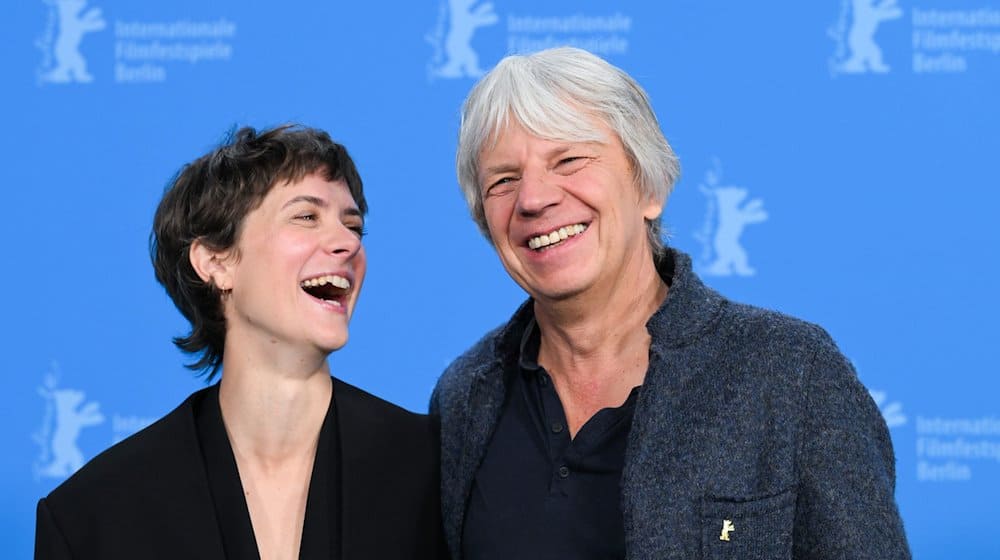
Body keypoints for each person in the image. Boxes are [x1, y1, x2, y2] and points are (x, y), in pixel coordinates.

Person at [431, 47, 911, 559]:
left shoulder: (793, 374)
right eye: (503, 180)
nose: (533, 199)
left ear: (649, 187)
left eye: (569, 159)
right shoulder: (464, 396)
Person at [35, 125, 444, 559]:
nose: (347, 243)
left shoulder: (436, 471)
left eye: (353, 225)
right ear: (216, 261)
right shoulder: (93, 515)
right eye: (307, 216)